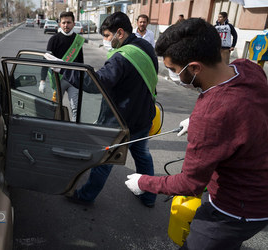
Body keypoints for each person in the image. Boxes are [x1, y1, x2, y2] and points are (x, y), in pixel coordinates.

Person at [125, 18, 268, 249]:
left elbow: (189, 183)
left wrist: (144, 182)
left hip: (234, 210)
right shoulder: (248, 68)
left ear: (194, 68)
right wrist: (197, 121)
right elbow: (247, 109)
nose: (172, 75)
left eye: (173, 70)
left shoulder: (210, 114)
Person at [59, 12, 158, 207]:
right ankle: (149, 196)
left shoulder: (121, 58)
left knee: (104, 160)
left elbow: (96, 83)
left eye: (107, 35)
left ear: (119, 33)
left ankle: (86, 196)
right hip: (144, 116)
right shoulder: (145, 47)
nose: (106, 40)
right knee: (143, 157)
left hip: (121, 120)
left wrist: (64, 69)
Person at [39, 11, 84, 121]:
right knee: (55, 108)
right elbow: (46, 60)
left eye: (68, 22)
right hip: (58, 79)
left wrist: (82, 81)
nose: (66, 25)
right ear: (60, 24)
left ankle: (75, 131)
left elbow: (81, 63)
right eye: (63, 22)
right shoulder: (53, 40)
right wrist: (42, 81)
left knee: (76, 109)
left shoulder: (78, 41)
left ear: (73, 23)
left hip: (73, 79)